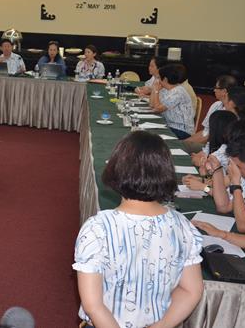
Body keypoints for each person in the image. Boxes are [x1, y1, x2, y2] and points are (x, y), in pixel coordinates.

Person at [74, 131, 203, 328]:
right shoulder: (183, 225)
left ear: (115, 170)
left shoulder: (97, 228)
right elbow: (191, 290)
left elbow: (93, 305)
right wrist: (162, 325)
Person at [184, 75, 236, 148]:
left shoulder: (232, 112)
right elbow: (205, 131)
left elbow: (210, 137)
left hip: (215, 148)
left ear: (224, 91)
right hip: (206, 142)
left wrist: (184, 145)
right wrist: (184, 142)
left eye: (216, 88)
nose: (214, 90)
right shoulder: (216, 105)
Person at [149, 63, 195, 139]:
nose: (157, 80)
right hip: (169, 125)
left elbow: (157, 109)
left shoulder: (178, 92)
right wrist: (154, 89)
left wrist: (156, 90)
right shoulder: (165, 89)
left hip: (181, 130)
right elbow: (152, 105)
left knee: (151, 136)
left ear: (165, 79)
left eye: (158, 78)